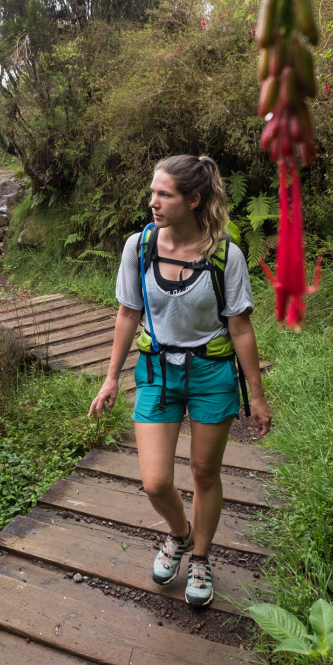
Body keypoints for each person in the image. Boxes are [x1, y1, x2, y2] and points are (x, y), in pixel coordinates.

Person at [88, 154, 272, 608]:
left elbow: (241, 327)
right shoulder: (140, 246)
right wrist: (110, 378)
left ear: (193, 200)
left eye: (163, 194)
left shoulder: (225, 255)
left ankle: (202, 558)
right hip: (156, 372)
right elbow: (128, 313)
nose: (153, 202)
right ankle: (180, 534)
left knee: (205, 472)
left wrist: (259, 397)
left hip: (211, 373)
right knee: (154, 482)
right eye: (152, 192)